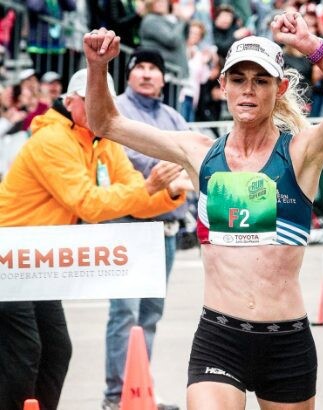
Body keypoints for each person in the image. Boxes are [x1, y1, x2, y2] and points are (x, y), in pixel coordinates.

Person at [83, 11, 323, 409]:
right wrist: (97, 67)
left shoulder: (301, 152)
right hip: (220, 337)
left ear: (280, 87)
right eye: (238, 79)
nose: (248, 90)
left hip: (285, 341)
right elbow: (104, 122)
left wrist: (311, 47)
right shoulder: (197, 152)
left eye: (261, 81)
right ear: (222, 86)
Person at [0, 68, 187, 410]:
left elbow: (134, 194)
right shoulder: (52, 140)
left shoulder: (102, 140)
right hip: (9, 259)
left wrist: (167, 193)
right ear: (70, 101)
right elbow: (87, 203)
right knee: (25, 350)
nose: (97, 109)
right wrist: (149, 186)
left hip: (36, 261)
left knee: (57, 350)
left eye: (104, 103)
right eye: (90, 102)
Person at [101, 48, 191, 410]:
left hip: (164, 228)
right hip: (127, 224)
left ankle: (139, 391)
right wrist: (167, 166)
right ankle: (115, 395)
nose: (147, 74)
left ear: (164, 78)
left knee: (151, 314)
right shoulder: (116, 111)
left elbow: (190, 160)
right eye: (140, 67)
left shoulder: (173, 117)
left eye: (154, 68)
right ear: (129, 75)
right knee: (125, 312)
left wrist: (172, 170)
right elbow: (122, 159)